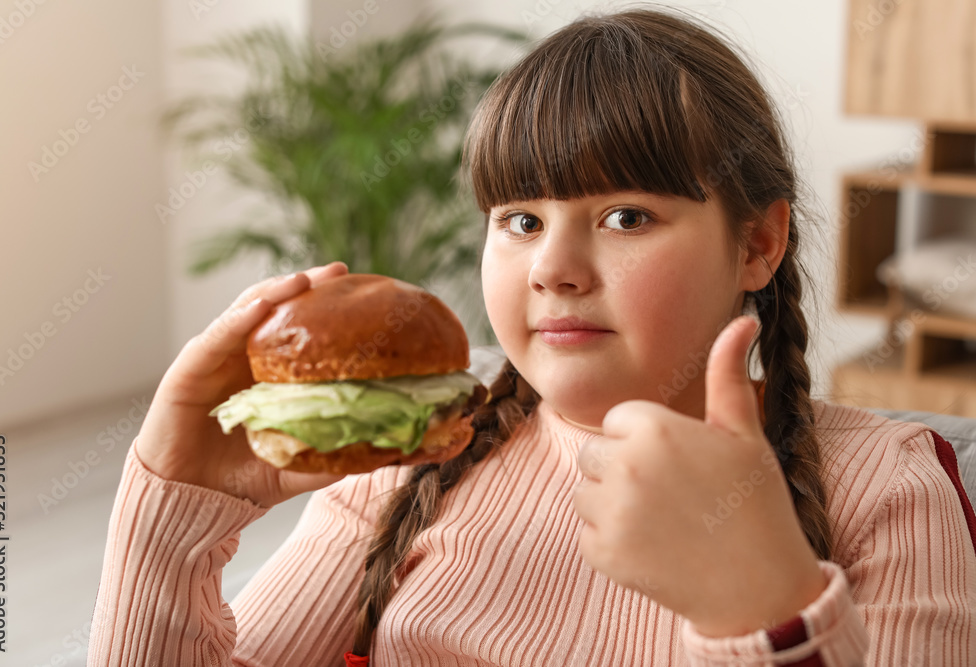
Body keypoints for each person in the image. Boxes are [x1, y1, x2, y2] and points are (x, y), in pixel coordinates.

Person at [87, 7, 976, 666]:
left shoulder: (887, 486)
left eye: (627, 215)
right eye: (518, 219)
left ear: (757, 242)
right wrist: (170, 518)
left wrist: (767, 606)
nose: (552, 266)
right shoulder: (408, 465)